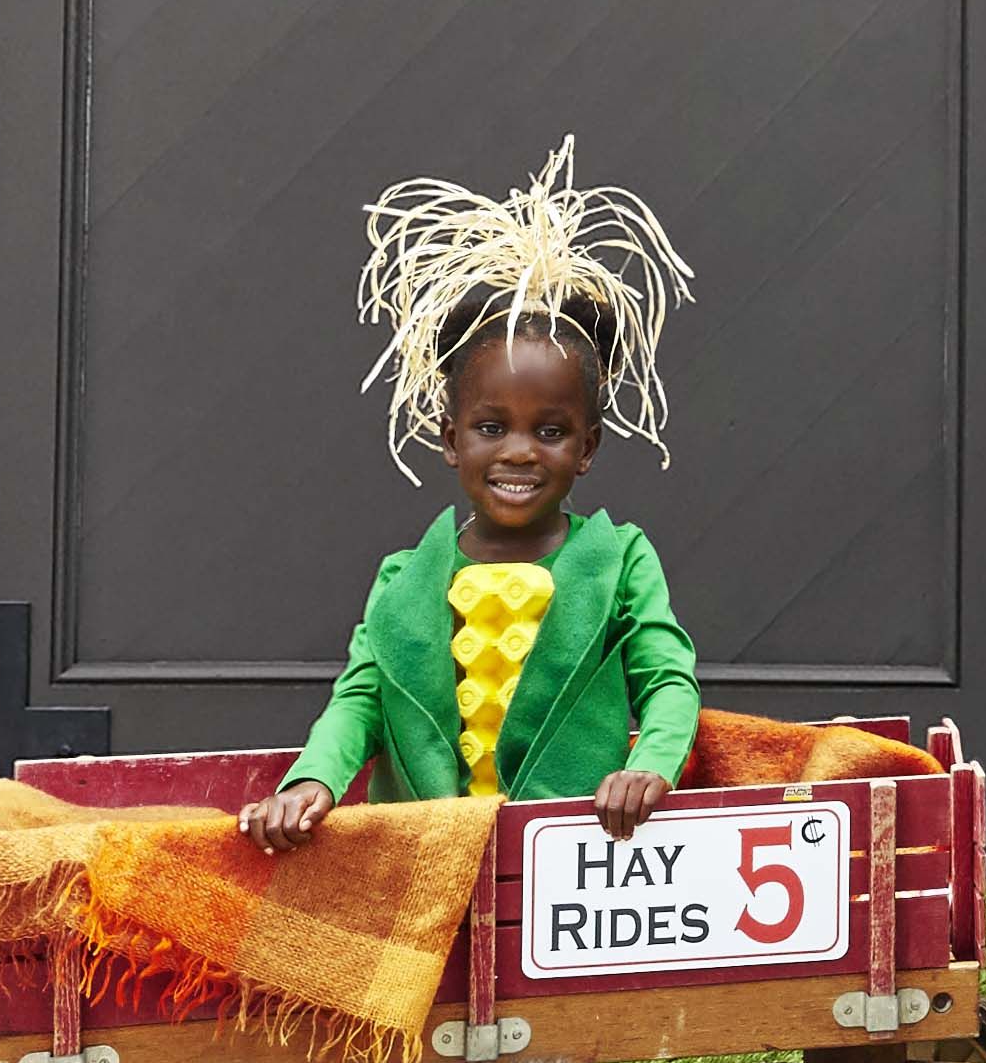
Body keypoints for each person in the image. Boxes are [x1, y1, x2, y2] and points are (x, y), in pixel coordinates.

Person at [238, 141, 701, 848]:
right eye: (491, 426)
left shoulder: (620, 559)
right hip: (428, 861)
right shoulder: (406, 578)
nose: (518, 450)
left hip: (571, 859)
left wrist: (649, 766)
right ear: (451, 440)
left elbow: (667, 678)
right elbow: (359, 700)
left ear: (588, 448)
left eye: (551, 429)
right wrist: (313, 779)